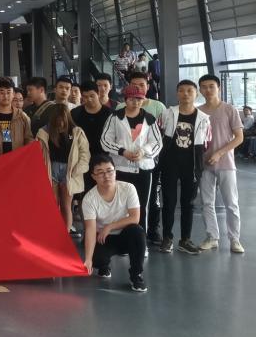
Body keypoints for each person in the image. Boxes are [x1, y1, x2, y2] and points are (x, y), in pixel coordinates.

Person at [100, 85, 163, 233]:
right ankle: (121, 239)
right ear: (125, 100)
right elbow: (105, 140)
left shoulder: (149, 118)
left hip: (143, 169)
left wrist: (143, 152)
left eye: (139, 99)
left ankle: (140, 240)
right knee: (120, 206)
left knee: (141, 206)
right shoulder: (115, 117)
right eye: (132, 99)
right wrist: (122, 151)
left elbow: (157, 142)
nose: (136, 102)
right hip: (120, 168)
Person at [81, 154, 148, 293]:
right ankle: (104, 265)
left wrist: (110, 226)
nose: (106, 176)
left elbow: (135, 217)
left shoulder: (128, 188)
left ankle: (136, 275)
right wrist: (88, 259)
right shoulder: (89, 199)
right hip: (103, 238)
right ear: (93, 176)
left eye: (109, 171)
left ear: (115, 171)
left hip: (125, 235)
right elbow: (90, 229)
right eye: (100, 172)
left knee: (138, 232)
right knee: (96, 258)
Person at [158, 80, 210, 255]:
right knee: (169, 201)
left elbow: (207, 142)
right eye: (181, 90)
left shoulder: (204, 118)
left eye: (189, 90)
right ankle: (167, 237)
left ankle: (185, 239)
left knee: (188, 203)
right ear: (177, 93)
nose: (185, 94)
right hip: (169, 164)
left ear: (196, 94)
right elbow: (158, 135)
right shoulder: (167, 114)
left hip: (192, 166)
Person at [196, 74, 245, 254]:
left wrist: (219, 153)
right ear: (200, 90)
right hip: (204, 165)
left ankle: (235, 239)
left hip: (226, 163)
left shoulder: (229, 109)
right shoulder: (198, 112)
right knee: (207, 203)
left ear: (219, 88)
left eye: (211, 86)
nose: (208, 90)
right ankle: (212, 237)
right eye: (204, 87)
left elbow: (239, 137)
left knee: (231, 203)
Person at [37, 104, 90, 236]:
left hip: (70, 171)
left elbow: (85, 154)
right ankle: (52, 232)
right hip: (51, 170)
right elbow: (37, 153)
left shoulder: (76, 131)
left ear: (68, 118)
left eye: (63, 120)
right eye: (58, 120)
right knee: (52, 204)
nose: (61, 123)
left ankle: (65, 234)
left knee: (66, 205)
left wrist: (75, 171)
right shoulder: (44, 131)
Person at [0, 77, 32, 159]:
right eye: (2, 92)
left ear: (13, 94)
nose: (5, 96)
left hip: (17, 160)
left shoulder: (22, 117)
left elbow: (28, 140)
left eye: (8, 92)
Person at [71, 82, 113, 159]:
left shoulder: (110, 113)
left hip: (105, 156)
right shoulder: (75, 113)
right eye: (85, 97)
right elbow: (71, 134)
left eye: (92, 96)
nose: (89, 99)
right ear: (81, 96)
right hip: (82, 156)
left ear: (98, 94)